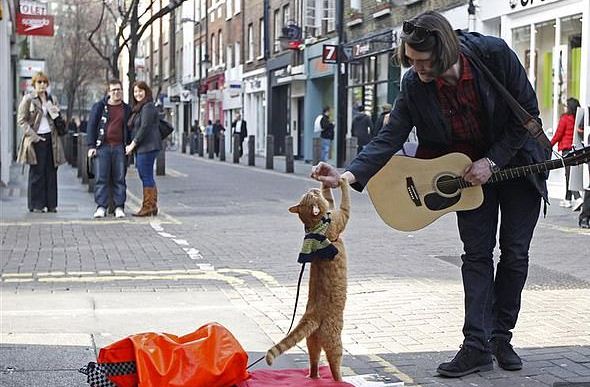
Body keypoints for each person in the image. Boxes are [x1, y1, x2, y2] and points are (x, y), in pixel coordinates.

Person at [311, 11, 549, 378]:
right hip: (465, 178)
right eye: (410, 60)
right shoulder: (414, 84)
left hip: (517, 165)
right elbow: (390, 137)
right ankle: (476, 346)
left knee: (515, 254)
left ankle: (502, 337)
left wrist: (492, 161)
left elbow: (528, 116)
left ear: (445, 51)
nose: (416, 68)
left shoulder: (493, 55)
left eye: (422, 61)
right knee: (476, 256)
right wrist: (346, 176)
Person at [17, 71, 66, 213]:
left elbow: (57, 119)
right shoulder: (28, 99)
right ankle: (36, 205)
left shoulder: (52, 99)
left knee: (51, 172)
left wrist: (56, 112)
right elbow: (21, 120)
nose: (42, 85)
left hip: (52, 140)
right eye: (39, 82)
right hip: (36, 140)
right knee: (37, 173)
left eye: (44, 82)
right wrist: (33, 136)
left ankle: (51, 204)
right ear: (34, 84)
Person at [87, 79, 132, 219]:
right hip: (103, 147)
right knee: (101, 177)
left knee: (119, 178)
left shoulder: (126, 109)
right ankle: (101, 206)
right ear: (109, 92)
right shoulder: (99, 107)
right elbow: (91, 126)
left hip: (119, 147)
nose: (116, 92)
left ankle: (119, 207)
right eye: (114, 90)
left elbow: (129, 129)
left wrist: (130, 145)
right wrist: (91, 146)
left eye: (119, 90)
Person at [125, 81, 162, 217]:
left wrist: (132, 144)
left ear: (146, 91)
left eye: (140, 91)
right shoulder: (139, 108)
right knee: (145, 175)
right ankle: (152, 205)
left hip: (147, 147)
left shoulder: (148, 107)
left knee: (145, 175)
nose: (138, 94)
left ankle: (148, 206)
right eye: (135, 92)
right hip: (144, 147)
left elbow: (144, 127)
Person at [550, 98, 583, 209]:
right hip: (577, 149)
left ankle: (577, 198)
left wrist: (548, 145)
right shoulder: (578, 118)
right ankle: (567, 199)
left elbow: (558, 134)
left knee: (569, 175)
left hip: (567, 150)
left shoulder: (565, 118)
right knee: (569, 174)